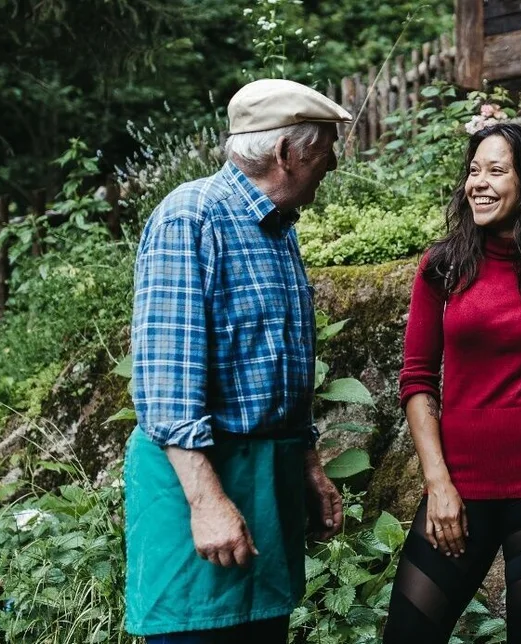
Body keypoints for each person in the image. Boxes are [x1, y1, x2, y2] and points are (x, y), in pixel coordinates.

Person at [125, 78, 352, 644]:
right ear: (286, 153)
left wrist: (310, 467)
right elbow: (167, 383)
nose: (333, 161)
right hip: (200, 478)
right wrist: (206, 503)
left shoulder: (278, 231)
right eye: (325, 147)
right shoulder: (191, 217)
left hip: (267, 479)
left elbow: (283, 370)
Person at [385, 123, 521, 644]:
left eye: (496, 171)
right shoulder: (443, 266)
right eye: (473, 171)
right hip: (460, 486)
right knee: (408, 634)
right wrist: (437, 484)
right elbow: (417, 379)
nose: (477, 183)